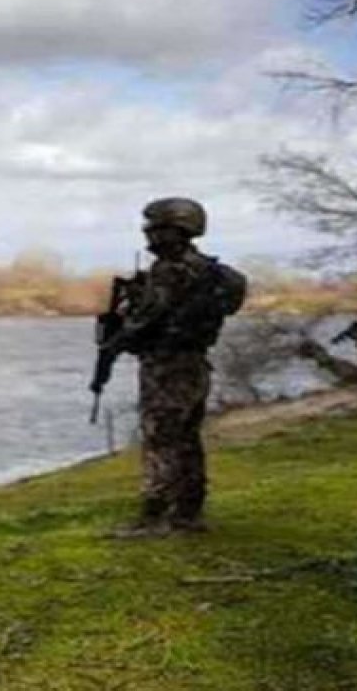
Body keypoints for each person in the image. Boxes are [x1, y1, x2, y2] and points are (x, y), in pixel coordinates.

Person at [101, 198, 244, 538]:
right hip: (195, 363)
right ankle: (188, 514)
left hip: (167, 365)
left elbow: (146, 321)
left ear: (174, 230)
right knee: (187, 439)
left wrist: (116, 340)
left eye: (154, 227)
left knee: (161, 438)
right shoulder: (205, 269)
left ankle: (155, 516)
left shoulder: (169, 270)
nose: (147, 233)